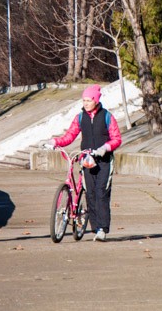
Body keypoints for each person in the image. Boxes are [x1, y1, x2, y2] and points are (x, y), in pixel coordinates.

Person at [47, 84, 122, 241]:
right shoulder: (80, 118)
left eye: (88, 100)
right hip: (86, 160)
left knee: (101, 193)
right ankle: (95, 229)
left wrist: (105, 148)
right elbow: (70, 136)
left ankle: (102, 228)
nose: (85, 103)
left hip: (104, 161)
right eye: (84, 100)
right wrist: (55, 141)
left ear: (96, 100)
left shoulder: (107, 116)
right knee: (90, 193)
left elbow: (117, 139)